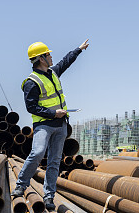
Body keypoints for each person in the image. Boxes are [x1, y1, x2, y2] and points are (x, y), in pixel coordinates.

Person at [11, 39, 89, 210]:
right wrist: (53, 113)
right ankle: (21, 185)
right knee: (37, 152)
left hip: (61, 125)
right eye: (48, 54)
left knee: (54, 161)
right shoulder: (32, 82)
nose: (51, 56)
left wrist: (79, 49)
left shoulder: (53, 72)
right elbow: (31, 107)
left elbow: (66, 61)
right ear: (41, 58)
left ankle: (48, 196)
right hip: (44, 125)